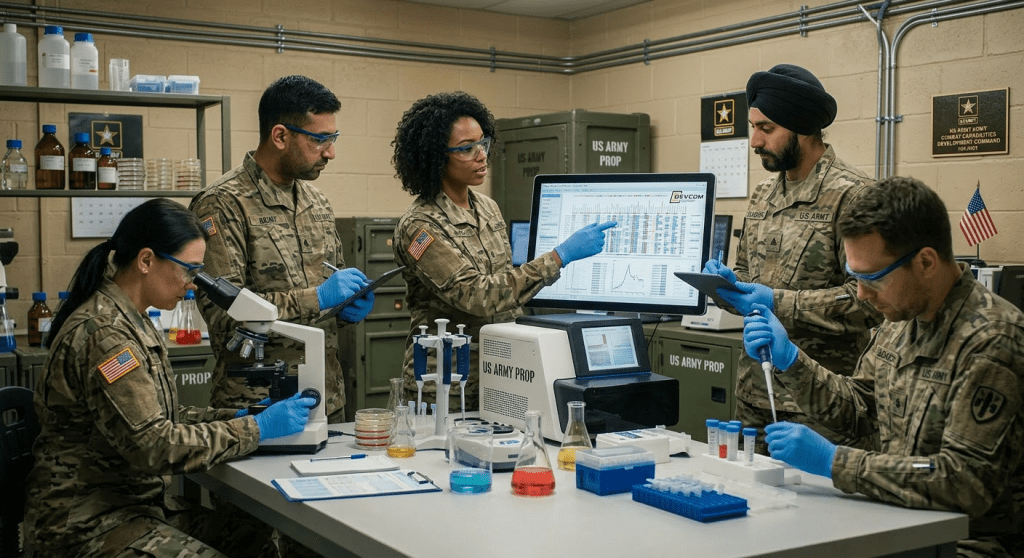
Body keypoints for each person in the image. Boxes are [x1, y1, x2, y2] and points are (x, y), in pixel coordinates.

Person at [744, 177, 1024, 557]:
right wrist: (791, 361)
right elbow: (858, 412)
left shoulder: (992, 340)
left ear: (925, 261)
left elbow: (963, 480)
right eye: (854, 277)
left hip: (968, 543)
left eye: (871, 278)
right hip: (894, 521)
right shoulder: (900, 319)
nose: (861, 294)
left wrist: (835, 462)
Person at [24, 199, 317, 557]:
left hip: (135, 508)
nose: (193, 285)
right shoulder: (106, 335)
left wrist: (241, 417)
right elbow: (155, 446)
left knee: (251, 535)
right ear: (146, 260)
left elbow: (166, 418)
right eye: (188, 270)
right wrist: (256, 431)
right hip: (87, 525)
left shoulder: (133, 319)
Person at [391, 91, 615, 410]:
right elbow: (475, 295)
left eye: (483, 143)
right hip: (446, 386)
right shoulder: (421, 225)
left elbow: (506, 285)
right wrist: (558, 257)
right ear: (436, 157)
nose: (481, 155)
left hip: (501, 373)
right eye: (467, 149)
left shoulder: (488, 208)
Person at [702, 63, 883, 452]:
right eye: (753, 127)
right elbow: (747, 274)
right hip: (754, 394)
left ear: (802, 128)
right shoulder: (763, 193)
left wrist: (774, 301)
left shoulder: (854, 195)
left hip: (820, 402)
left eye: (766, 129)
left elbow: (869, 302)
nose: (754, 141)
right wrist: (724, 287)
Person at [190, 75, 373, 424]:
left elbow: (331, 285)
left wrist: (347, 304)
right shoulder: (223, 204)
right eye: (320, 140)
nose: (331, 152)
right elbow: (225, 316)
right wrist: (317, 298)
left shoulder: (316, 202)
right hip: (259, 407)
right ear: (280, 136)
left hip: (325, 398)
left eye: (333, 138)